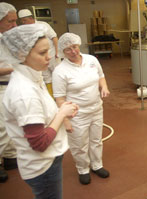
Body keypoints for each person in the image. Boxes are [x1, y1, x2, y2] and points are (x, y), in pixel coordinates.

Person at [1, 24, 79, 198]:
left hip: (48, 160)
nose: (49, 57)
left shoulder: (32, 75)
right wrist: (61, 114)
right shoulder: (24, 92)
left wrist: (62, 110)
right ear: (21, 54)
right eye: (42, 53)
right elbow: (39, 144)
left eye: (48, 51)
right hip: (43, 166)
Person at [52, 32, 110, 185]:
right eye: (68, 49)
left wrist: (104, 87)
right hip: (76, 115)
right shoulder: (60, 71)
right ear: (62, 52)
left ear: (79, 44)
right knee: (79, 144)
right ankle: (83, 169)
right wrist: (65, 121)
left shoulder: (91, 60)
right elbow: (59, 99)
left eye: (75, 47)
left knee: (96, 140)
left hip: (96, 108)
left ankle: (97, 165)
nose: (73, 51)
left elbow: (101, 75)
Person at [18, 8, 59, 97]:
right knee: (47, 78)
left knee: (57, 75)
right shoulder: (25, 30)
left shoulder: (43, 25)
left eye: (25, 20)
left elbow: (54, 38)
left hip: (51, 55)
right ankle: (52, 97)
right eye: (22, 21)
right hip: (39, 59)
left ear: (31, 18)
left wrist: (57, 51)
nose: (23, 23)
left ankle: (61, 96)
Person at [0, 2, 18, 183]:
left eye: (15, 21)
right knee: (1, 128)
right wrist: (14, 67)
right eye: (10, 21)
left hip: (11, 86)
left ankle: (11, 158)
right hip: (0, 86)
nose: (14, 25)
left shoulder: (7, 37)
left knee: (13, 122)